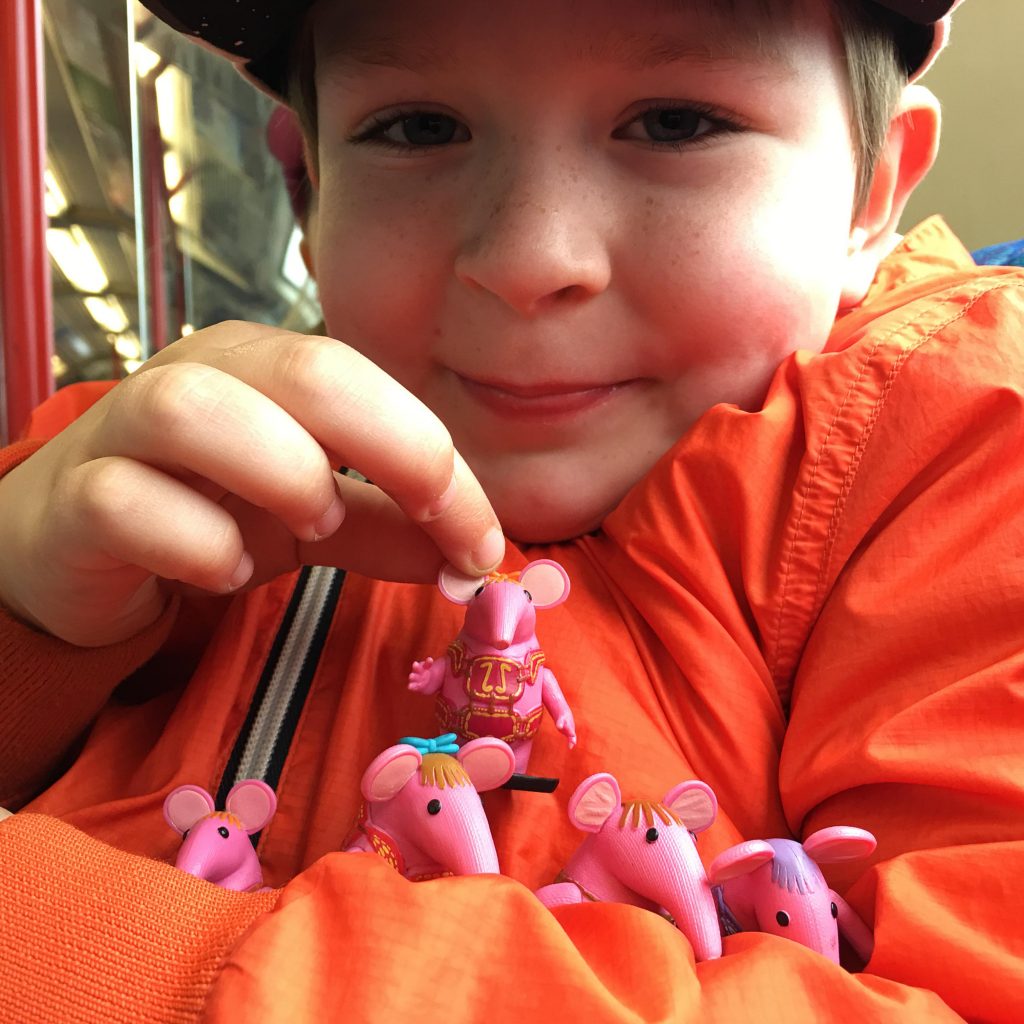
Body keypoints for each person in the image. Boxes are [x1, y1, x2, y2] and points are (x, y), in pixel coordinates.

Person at [1, 0, 1021, 1019]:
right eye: (417, 128)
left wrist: (117, 965)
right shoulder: (129, 462)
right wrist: (28, 634)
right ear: (305, 191)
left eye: (675, 122)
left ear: (870, 192)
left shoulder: (968, 449)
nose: (529, 260)